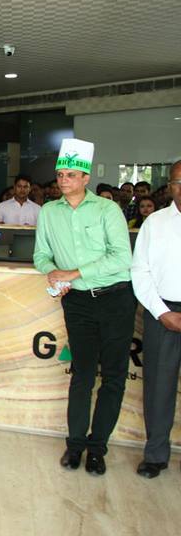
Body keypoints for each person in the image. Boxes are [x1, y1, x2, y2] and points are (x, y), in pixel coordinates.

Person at [33, 138, 134, 477]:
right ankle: (75, 445)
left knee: (114, 377)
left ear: (86, 178)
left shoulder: (107, 209)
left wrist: (73, 273)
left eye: (71, 175)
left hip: (116, 299)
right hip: (77, 302)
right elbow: (41, 255)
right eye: (60, 174)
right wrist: (52, 271)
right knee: (82, 374)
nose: (63, 180)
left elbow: (122, 258)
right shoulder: (49, 211)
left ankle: (97, 448)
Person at [132, 160, 181, 479]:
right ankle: (155, 455)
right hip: (162, 312)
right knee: (158, 389)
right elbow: (140, 270)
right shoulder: (155, 222)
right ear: (170, 186)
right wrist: (162, 312)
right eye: (179, 182)